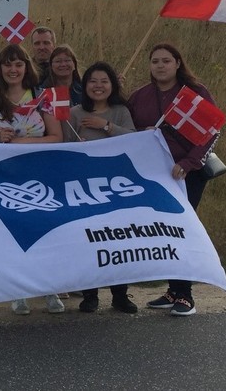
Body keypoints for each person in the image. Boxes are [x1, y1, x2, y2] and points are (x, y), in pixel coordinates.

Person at [128, 43, 218, 317]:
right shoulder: (140, 96)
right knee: (163, 231)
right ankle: (172, 290)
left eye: (166, 60)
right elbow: (127, 130)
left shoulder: (195, 93)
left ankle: (186, 295)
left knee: (183, 230)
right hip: (155, 175)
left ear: (178, 63)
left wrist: (189, 162)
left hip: (187, 174)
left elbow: (210, 132)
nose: (160, 65)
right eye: (155, 61)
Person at [0, 44, 64, 315]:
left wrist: (21, 141)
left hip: (39, 175)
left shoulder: (42, 98)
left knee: (44, 232)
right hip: (4, 177)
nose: (13, 69)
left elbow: (56, 137)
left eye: (18, 64)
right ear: (0, 69)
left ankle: (49, 286)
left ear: (26, 68)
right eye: (7, 64)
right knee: (14, 234)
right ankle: (18, 291)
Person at [65, 61, 138, 314]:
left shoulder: (120, 110)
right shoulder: (74, 113)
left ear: (112, 85)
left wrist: (105, 126)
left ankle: (120, 294)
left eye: (104, 81)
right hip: (84, 187)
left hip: (115, 186)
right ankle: (90, 295)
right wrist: (76, 147)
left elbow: (134, 139)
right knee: (88, 241)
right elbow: (62, 147)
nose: (98, 86)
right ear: (85, 86)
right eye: (93, 81)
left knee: (117, 241)